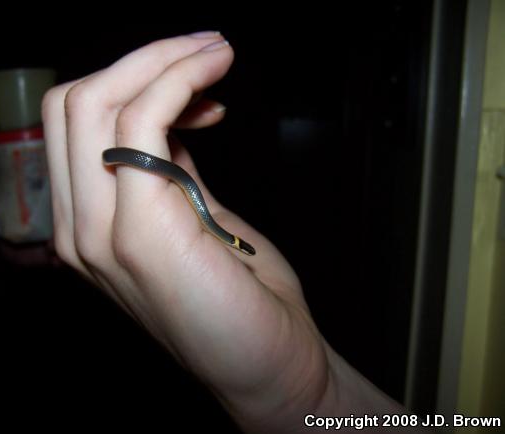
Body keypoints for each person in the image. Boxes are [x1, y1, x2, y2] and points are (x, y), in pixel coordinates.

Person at [41, 32, 430, 433]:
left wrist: (304, 397)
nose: (244, 249)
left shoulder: (213, 226)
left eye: (240, 247)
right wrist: (305, 397)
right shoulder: (209, 219)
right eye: (241, 248)